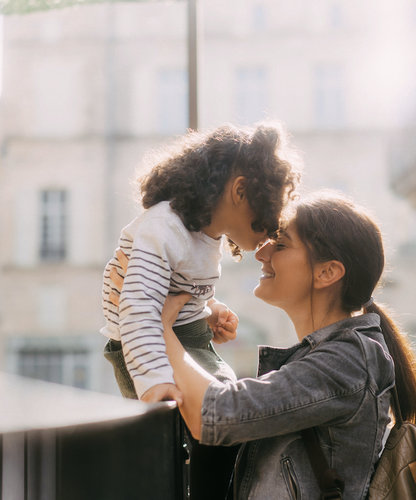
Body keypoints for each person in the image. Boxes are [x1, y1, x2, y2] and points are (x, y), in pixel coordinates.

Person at [154, 190, 416, 499]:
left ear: (327, 272)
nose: (261, 253)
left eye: (280, 244)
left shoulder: (348, 360)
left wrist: (160, 329)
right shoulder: (331, 357)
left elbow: (215, 414)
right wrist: (194, 326)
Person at [101, 122, 300, 499]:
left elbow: (180, 290)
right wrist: (156, 383)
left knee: (229, 411)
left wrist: (209, 310)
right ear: (240, 190)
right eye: (266, 218)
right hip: (143, 347)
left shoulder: (204, 234)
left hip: (180, 337)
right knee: (214, 424)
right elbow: (138, 309)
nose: (267, 236)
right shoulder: (161, 230)